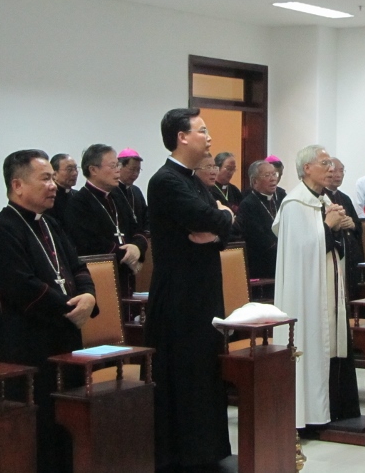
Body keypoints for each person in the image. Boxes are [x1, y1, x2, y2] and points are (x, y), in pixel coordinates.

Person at [0, 149, 97, 473]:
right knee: (37, 429)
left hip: (64, 336)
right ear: (18, 185)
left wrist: (88, 296)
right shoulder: (2, 230)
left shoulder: (52, 224)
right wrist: (71, 308)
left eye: (52, 178)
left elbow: (76, 266)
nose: (53, 186)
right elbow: (21, 287)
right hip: (25, 345)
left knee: (67, 422)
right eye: (45, 179)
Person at [144, 108, 235, 472]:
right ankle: (185, 457)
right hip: (179, 297)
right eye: (202, 130)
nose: (209, 138)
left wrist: (220, 221)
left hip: (203, 292)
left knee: (206, 374)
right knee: (185, 376)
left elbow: (221, 227)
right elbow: (208, 219)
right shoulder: (166, 181)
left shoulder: (195, 180)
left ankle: (207, 452)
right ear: (182, 137)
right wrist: (220, 218)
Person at [273, 145, 360, 431]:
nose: (331, 169)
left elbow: (329, 247)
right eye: (324, 163)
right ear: (307, 168)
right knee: (312, 342)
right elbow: (302, 250)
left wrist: (341, 227)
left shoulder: (322, 199)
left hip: (328, 284)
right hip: (305, 293)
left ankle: (335, 409)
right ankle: (308, 414)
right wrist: (327, 225)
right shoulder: (295, 203)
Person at [64, 144, 148, 297]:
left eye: (118, 165)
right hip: (101, 278)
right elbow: (90, 243)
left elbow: (137, 228)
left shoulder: (117, 195)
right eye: (113, 165)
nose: (118, 170)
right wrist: (128, 256)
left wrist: (137, 248)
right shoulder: (79, 202)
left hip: (126, 273)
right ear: (93, 170)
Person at [233, 160, 280, 279]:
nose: (273, 179)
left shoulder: (280, 199)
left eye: (274, 174)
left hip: (281, 260)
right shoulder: (248, 204)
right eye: (267, 175)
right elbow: (258, 238)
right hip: (261, 265)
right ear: (255, 181)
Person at [325, 157, 364, 298]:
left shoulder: (345, 198)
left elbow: (358, 225)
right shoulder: (321, 197)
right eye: (334, 171)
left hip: (350, 255)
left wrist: (352, 224)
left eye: (341, 171)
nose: (338, 175)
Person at [117, 148, 150, 235]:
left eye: (138, 170)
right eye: (132, 169)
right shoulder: (111, 191)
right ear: (119, 167)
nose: (135, 174)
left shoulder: (136, 191)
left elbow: (146, 216)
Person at [47, 153, 79, 225]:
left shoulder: (78, 196)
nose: (75, 173)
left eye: (76, 169)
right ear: (54, 174)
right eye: (69, 169)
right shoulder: (48, 198)